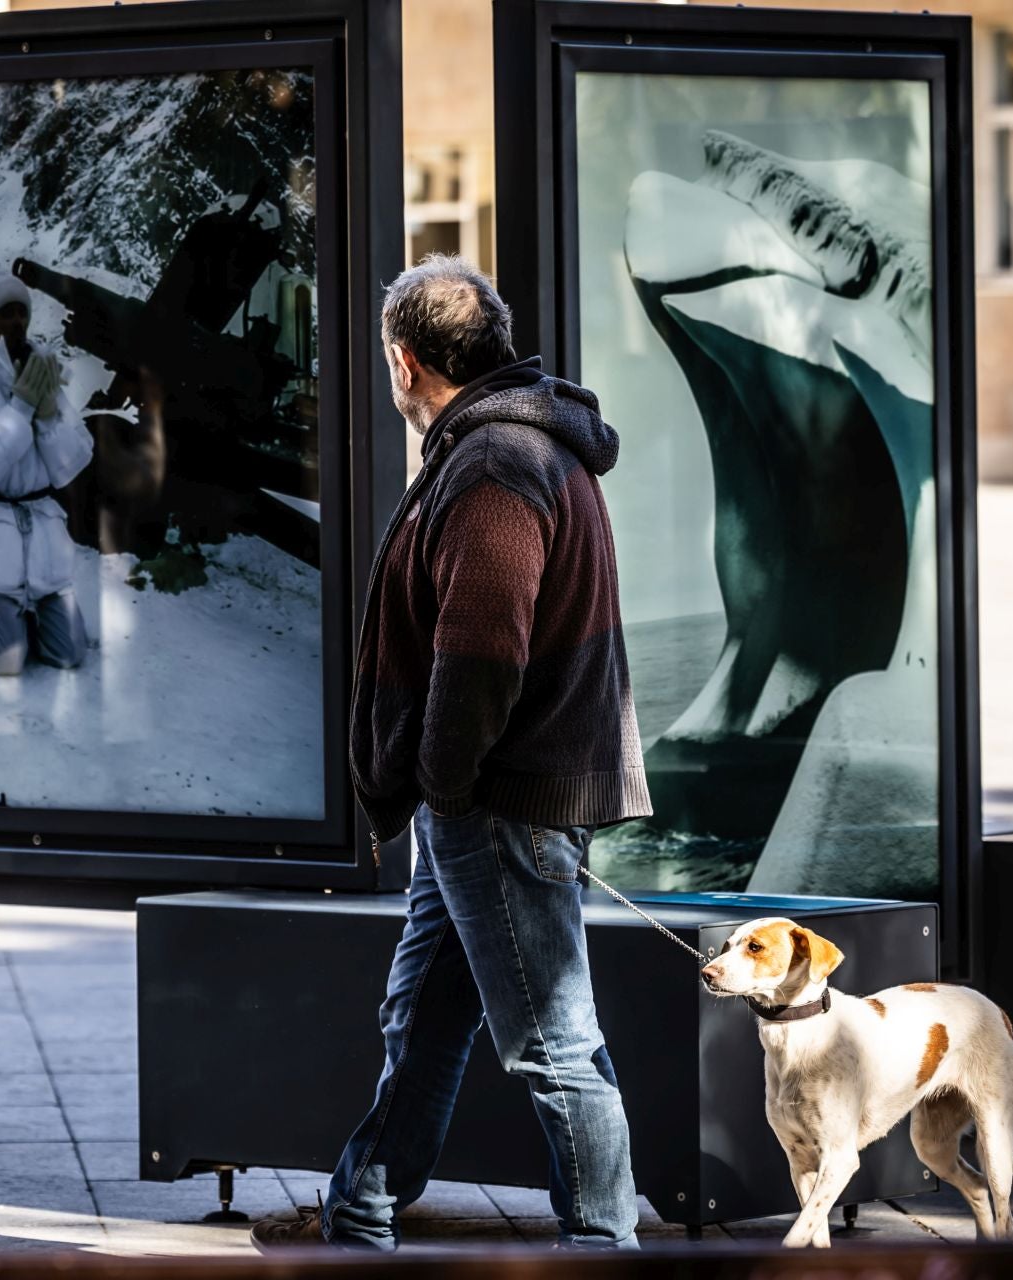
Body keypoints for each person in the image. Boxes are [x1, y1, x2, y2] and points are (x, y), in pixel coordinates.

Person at [251, 255, 652, 1252]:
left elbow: (480, 657)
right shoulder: (524, 443)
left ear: (405, 360)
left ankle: (607, 1245)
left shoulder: (491, 465)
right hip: (488, 798)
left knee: (556, 1041)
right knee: (422, 1018)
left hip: (496, 801)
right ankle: (358, 1215)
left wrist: (442, 785)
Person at [0, 271, 94, 676]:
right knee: (5, 661)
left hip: (41, 539)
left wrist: (47, 414)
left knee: (71, 653)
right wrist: (21, 408)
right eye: (5, 314)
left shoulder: (43, 377)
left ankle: (25, 608)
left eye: (21, 313)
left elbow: (73, 463)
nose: (16, 322)